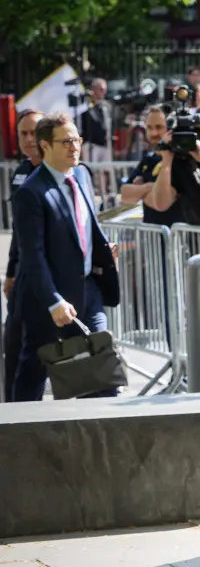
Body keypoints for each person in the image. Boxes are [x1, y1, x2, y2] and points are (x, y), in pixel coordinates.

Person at [10, 113, 120, 402]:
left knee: (101, 364)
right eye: (67, 141)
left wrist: (102, 251)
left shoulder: (81, 175)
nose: (75, 147)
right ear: (45, 145)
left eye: (77, 140)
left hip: (87, 289)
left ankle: (99, 435)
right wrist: (53, 301)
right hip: (50, 299)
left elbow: (84, 224)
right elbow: (32, 256)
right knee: (34, 372)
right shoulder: (31, 193)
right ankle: (19, 437)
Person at [3, 109, 43, 401]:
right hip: (23, 278)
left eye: (35, 133)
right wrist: (10, 272)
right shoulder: (19, 171)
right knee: (13, 348)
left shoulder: (67, 171)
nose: (29, 140)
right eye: (23, 134)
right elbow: (19, 231)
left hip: (54, 281)